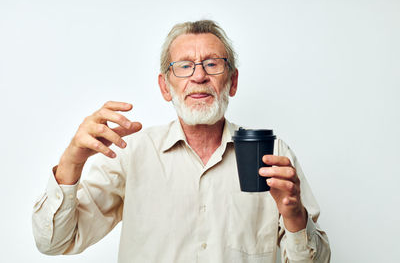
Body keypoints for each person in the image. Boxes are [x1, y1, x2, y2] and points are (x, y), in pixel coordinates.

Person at [32, 20, 331, 263]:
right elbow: (53, 242)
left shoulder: (273, 155)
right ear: (165, 86)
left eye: (213, 64)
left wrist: (295, 216)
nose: (199, 76)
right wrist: (73, 160)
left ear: (233, 81)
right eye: (184, 66)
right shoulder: (132, 154)